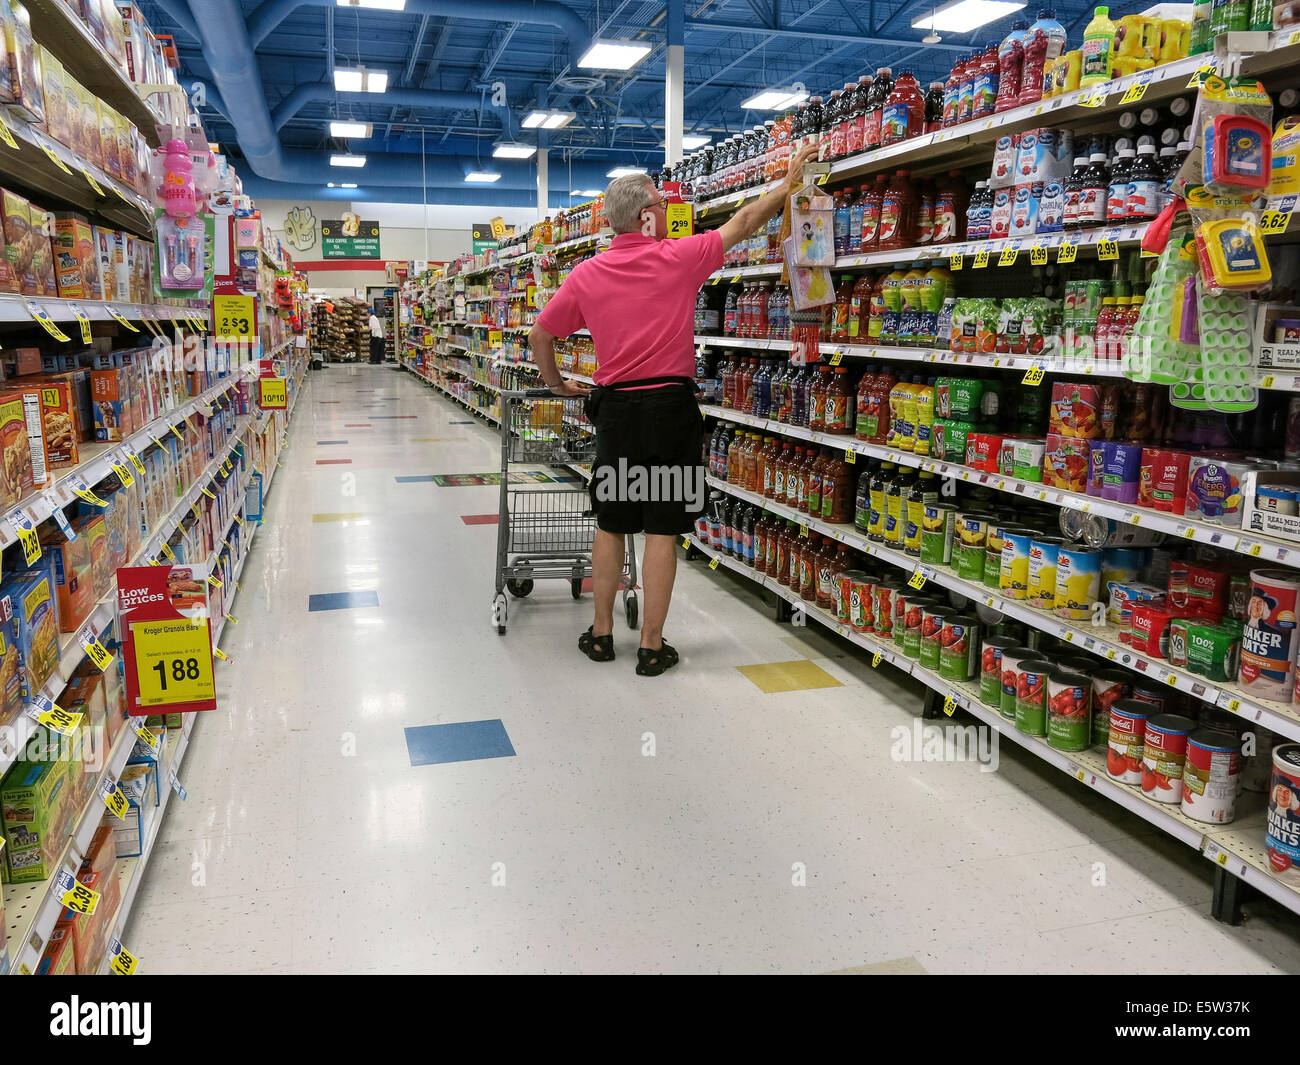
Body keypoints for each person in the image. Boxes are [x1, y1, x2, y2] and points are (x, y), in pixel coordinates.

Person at [529, 142, 820, 676]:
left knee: (612, 522)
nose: (669, 211)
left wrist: (559, 386)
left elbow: (540, 334)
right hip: (669, 409)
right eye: (662, 204)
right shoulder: (679, 258)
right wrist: (788, 184)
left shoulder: (586, 275)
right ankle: (651, 645)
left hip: (615, 410)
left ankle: (600, 635)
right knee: (662, 527)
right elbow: (745, 221)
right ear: (644, 216)